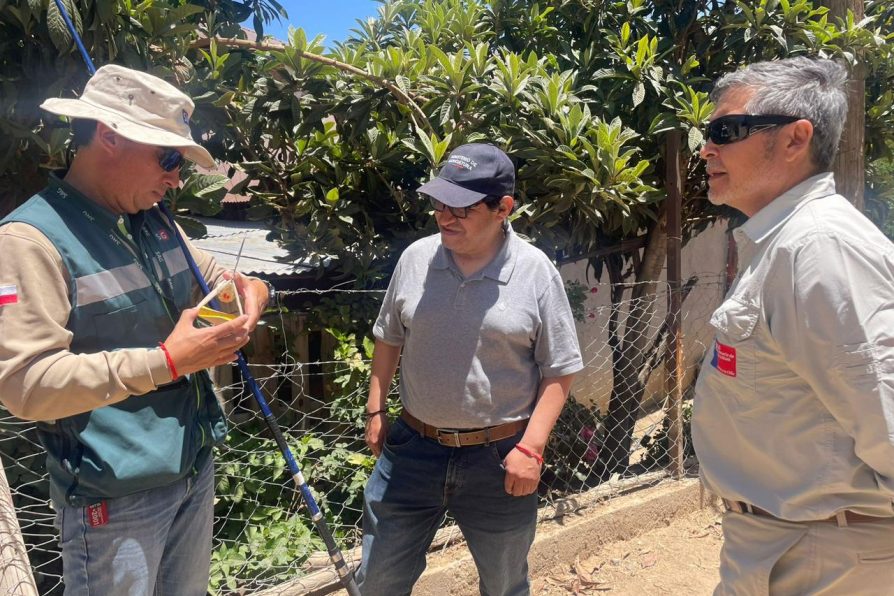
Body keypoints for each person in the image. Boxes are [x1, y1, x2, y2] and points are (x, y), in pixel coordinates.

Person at [0, 64, 273, 595]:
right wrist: (169, 361)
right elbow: (25, 387)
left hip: (192, 469)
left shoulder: (155, 222)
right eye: (168, 158)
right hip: (114, 498)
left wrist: (253, 295)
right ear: (108, 136)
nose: (176, 178)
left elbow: (227, 280)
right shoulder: (29, 241)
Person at [692, 56, 894, 594]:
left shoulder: (818, 247)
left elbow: (887, 419)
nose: (706, 148)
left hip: (826, 554)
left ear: (794, 139)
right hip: (788, 543)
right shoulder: (785, 241)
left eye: (725, 131)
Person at [356, 143, 584, 595]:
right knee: (378, 580)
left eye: (461, 207)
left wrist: (532, 450)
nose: (445, 217)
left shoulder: (535, 272)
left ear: (504, 208)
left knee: (503, 586)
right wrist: (375, 409)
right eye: (441, 203)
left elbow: (560, 369)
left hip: (499, 459)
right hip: (412, 451)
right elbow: (389, 336)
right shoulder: (417, 259)